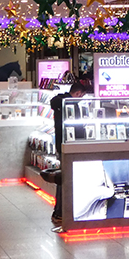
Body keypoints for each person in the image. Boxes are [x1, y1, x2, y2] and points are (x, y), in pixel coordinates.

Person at [50, 83, 85, 230]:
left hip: (62, 145)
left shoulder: (59, 102)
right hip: (68, 146)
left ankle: (59, 212)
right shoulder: (68, 104)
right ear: (77, 94)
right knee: (65, 179)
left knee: (64, 178)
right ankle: (59, 212)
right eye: (81, 96)